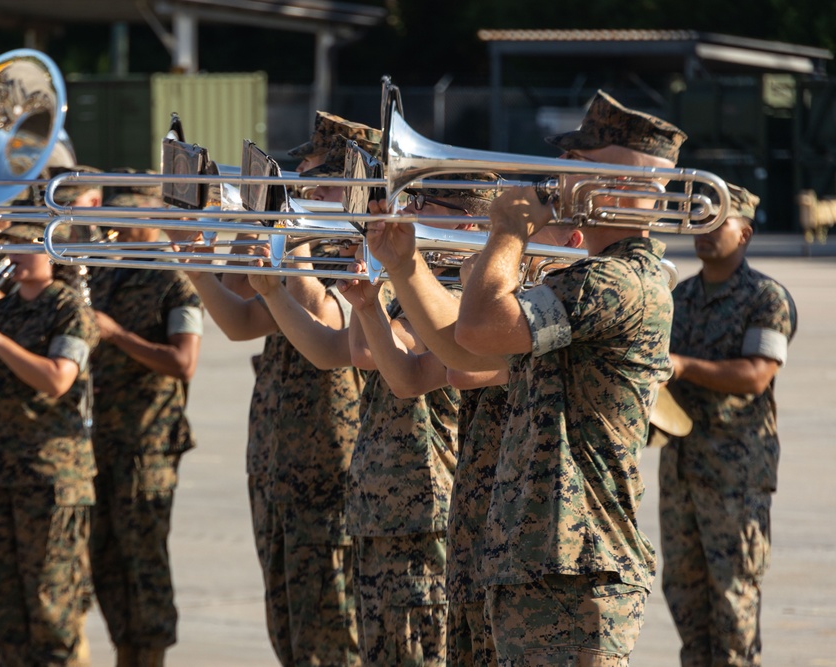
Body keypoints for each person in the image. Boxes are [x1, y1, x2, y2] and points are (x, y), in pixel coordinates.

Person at [455, 90, 688, 664]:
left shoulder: (617, 281)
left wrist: (507, 234)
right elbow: (464, 349)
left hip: (579, 567)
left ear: (624, 181)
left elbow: (481, 327)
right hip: (543, 560)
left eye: (581, 165)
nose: (565, 177)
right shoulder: (594, 278)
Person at [251, 172, 496, 666]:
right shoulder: (414, 280)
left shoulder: (458, 295)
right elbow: (328, 349)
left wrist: (375, 289)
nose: (410, 211)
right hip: (379, 502)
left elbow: (378, 356)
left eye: (427, 203)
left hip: (427, 506)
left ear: (468, 225)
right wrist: (274, 293)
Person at [180, 118, 381, 666]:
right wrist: (202, 259)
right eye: (300, 179)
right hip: (276, 466)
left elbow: (318, 311)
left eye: (315, 179)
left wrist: (286, 231)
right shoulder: (302, 233)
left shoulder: (362, 252)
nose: (304, 187)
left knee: (332, 644)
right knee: (289, 637)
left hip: (332, 478)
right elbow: (240, 318)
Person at [362, 198, 586, 666]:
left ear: (571, 241)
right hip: (476, 536)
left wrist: (475, 289)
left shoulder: (558, 310)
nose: (502, 240)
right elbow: (408, 379)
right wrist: (366, 304)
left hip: (531, 549)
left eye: (530, 229)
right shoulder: (506, 304)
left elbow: (466, 370)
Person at [0, 166, 104, 627]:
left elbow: (57, 380)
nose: (17, 252)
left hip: (50, 475)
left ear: (52, 249)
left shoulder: (70, 309)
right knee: (2, 603)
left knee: (50, 604)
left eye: (29, 243)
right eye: (12, 242)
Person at [660, 183, 797, 666]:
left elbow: (756, 376)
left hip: (735, 476)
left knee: (734, 604)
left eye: (719, 222)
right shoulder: (679, 296)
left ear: (745, 234)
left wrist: (684, 365)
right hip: (680, 471)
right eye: (700, 221)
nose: (706, 231)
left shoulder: (766, 298)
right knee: (684, 597)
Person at [87, 183, 204, 667]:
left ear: (149, 218)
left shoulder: (174, 281)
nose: (112, 225)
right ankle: (125, 652)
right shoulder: (102, 273)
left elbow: (183, 361)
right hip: (102, 442)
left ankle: (149, 656)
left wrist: (116, 334)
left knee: (144, 561)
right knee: (105, 559)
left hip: (147, 446)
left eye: (124, 215)